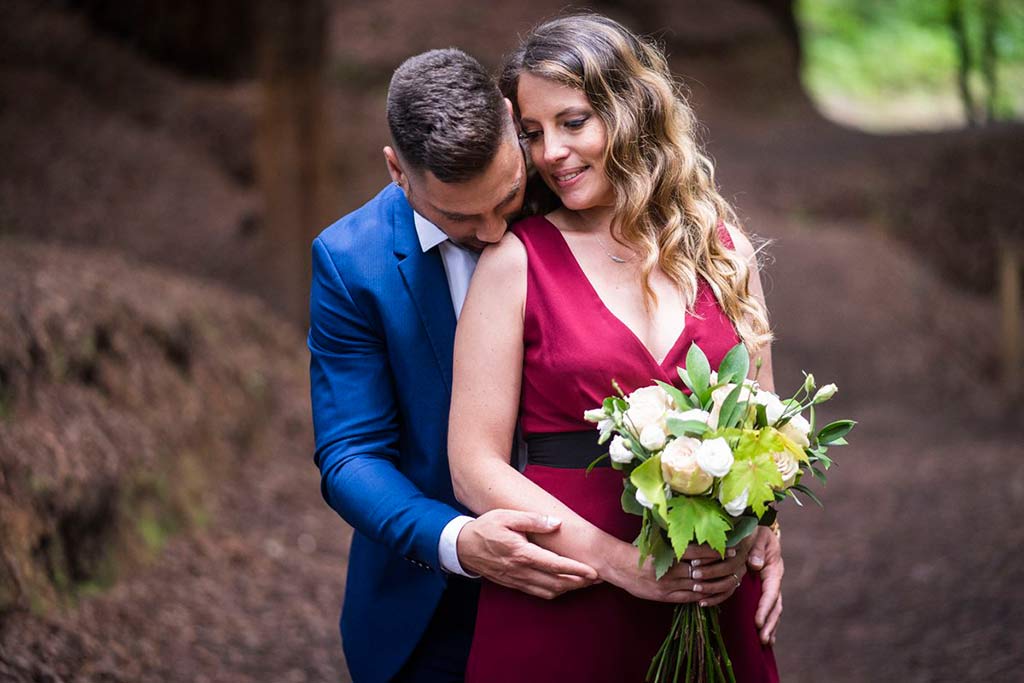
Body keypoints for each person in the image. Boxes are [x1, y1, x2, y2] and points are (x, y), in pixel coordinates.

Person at [310, 46, 781, 683]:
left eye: (506, 199)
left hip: (643, 566)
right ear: (398, 171)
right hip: (438, 592)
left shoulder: (561, 172)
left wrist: (756, 519)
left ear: (511, 125)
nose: (493, 231)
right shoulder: (352, 263)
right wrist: (455, 541)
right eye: (459, 218)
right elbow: (350, 454)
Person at [448, 14, 782, 683]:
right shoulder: (516, 263)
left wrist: (763, 533)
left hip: (709, 584)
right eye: (533, 133)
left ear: (630, 111)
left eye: (573, 123)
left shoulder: (725, 254)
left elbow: (767, 432)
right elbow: (472, 464)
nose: (551, 153)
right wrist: (616, 561)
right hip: (566, 591)